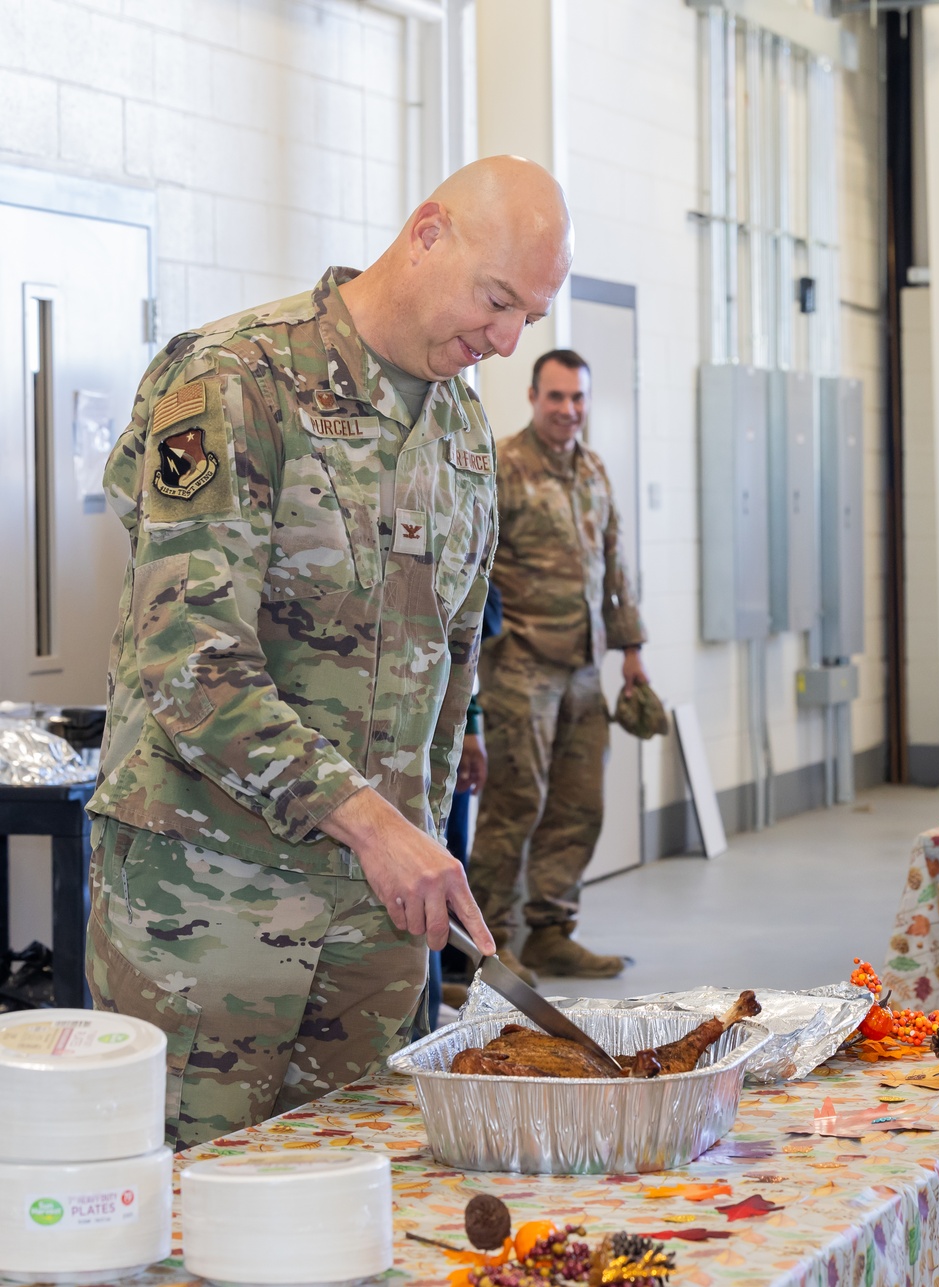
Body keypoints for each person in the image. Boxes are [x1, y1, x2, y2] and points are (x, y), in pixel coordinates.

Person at [85, 156, 573, 1148]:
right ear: (426, 232)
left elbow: (451, 645)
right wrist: (374, 825)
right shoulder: (233, 384)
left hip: (380, 925)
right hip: (208, 901)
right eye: (496, 300)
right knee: (193, 1206)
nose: (507, 340)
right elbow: (188, 657)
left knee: (357, 1201)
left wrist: (440, 786)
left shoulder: (462, 429)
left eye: (528, 315)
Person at [467, 349, 647, 982]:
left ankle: (550, 930)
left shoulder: (593, 470)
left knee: (579, 804)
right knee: (515, 804)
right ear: (533, 397)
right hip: (521, 663)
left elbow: (616, 565)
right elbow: (476, 568)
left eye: (578, 399)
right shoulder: (504, 467)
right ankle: (488, 948)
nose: (568, 410)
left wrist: (632, 652)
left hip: (585, 667)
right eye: (556, 397)